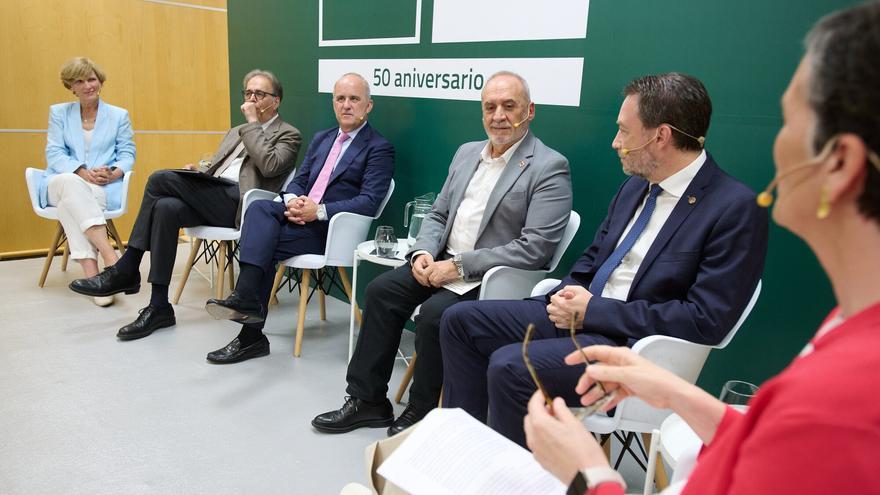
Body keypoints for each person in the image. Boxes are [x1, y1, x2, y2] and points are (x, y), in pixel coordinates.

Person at [525, 3, 880, 494]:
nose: (775, 142)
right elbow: (767, 450)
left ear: (839, 162)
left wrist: (593, 477)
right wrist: (679, 394)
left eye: (788, 119)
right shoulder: (850, 324)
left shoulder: (840, 402)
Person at [440, 72, 769, 447]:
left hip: (635, 349)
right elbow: (593, 260)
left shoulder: (734, 208)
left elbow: (704, 320)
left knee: (511, 366)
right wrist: (567, 295)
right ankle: (464, 450)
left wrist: (593, 310)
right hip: (582, 318)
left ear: (659, 136)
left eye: (624, 132)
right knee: (459, 321)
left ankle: (519, 481)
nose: (615, 143)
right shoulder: (634, 186)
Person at [312, 71, 573, 436]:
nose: (498, 115)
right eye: (490, 107)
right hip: (440, 261)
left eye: (509, 106)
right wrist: (422, 252)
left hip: (491, 278)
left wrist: (459, 266)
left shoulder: (549, 166)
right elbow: (438, 214)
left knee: (435, 315)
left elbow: (536, 248)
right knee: (381, 292)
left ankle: (423, 409)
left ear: (529, 111)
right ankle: (367, 400)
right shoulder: (467, 153)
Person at [69, 69, 301, 341]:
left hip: (243, 205)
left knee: (159, 178)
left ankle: (128, 267)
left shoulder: (288, 134)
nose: (251, 99)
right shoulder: (236, 131)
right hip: (215, 195)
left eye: (259, 94)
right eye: (248, 93)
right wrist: (199, 172)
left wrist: (252, 123)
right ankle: (159, 306)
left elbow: (270, 166)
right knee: (166, 207)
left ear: (276, 101)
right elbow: (222, 166)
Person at [202, 73, 395, 363]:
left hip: (329, 231)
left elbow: (369, 201)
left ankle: (249, 330)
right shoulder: (323, 139)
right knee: (258, 208)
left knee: (264, 240)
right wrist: (293, 202)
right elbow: (298, 181)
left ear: (368, 106)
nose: (346, 105)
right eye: (340, 98)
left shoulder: (378, 147)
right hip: (298, 215)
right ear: (333, 103)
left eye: (354, 99)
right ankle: (247, 311)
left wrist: (316, 210)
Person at [42, 57, 135, 307]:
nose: (87, 85)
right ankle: (112, 259)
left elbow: (127, 155)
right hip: (60, 181)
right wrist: (80, 172)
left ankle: (93, 277)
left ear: (100, 82)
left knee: (68, 205)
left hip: (100, 186)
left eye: (91, 79)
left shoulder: (118, 116)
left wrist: (113, 173)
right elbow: (54, 154)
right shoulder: (59, 113)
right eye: (79, 81)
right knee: (69, 183)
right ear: (70, 87)